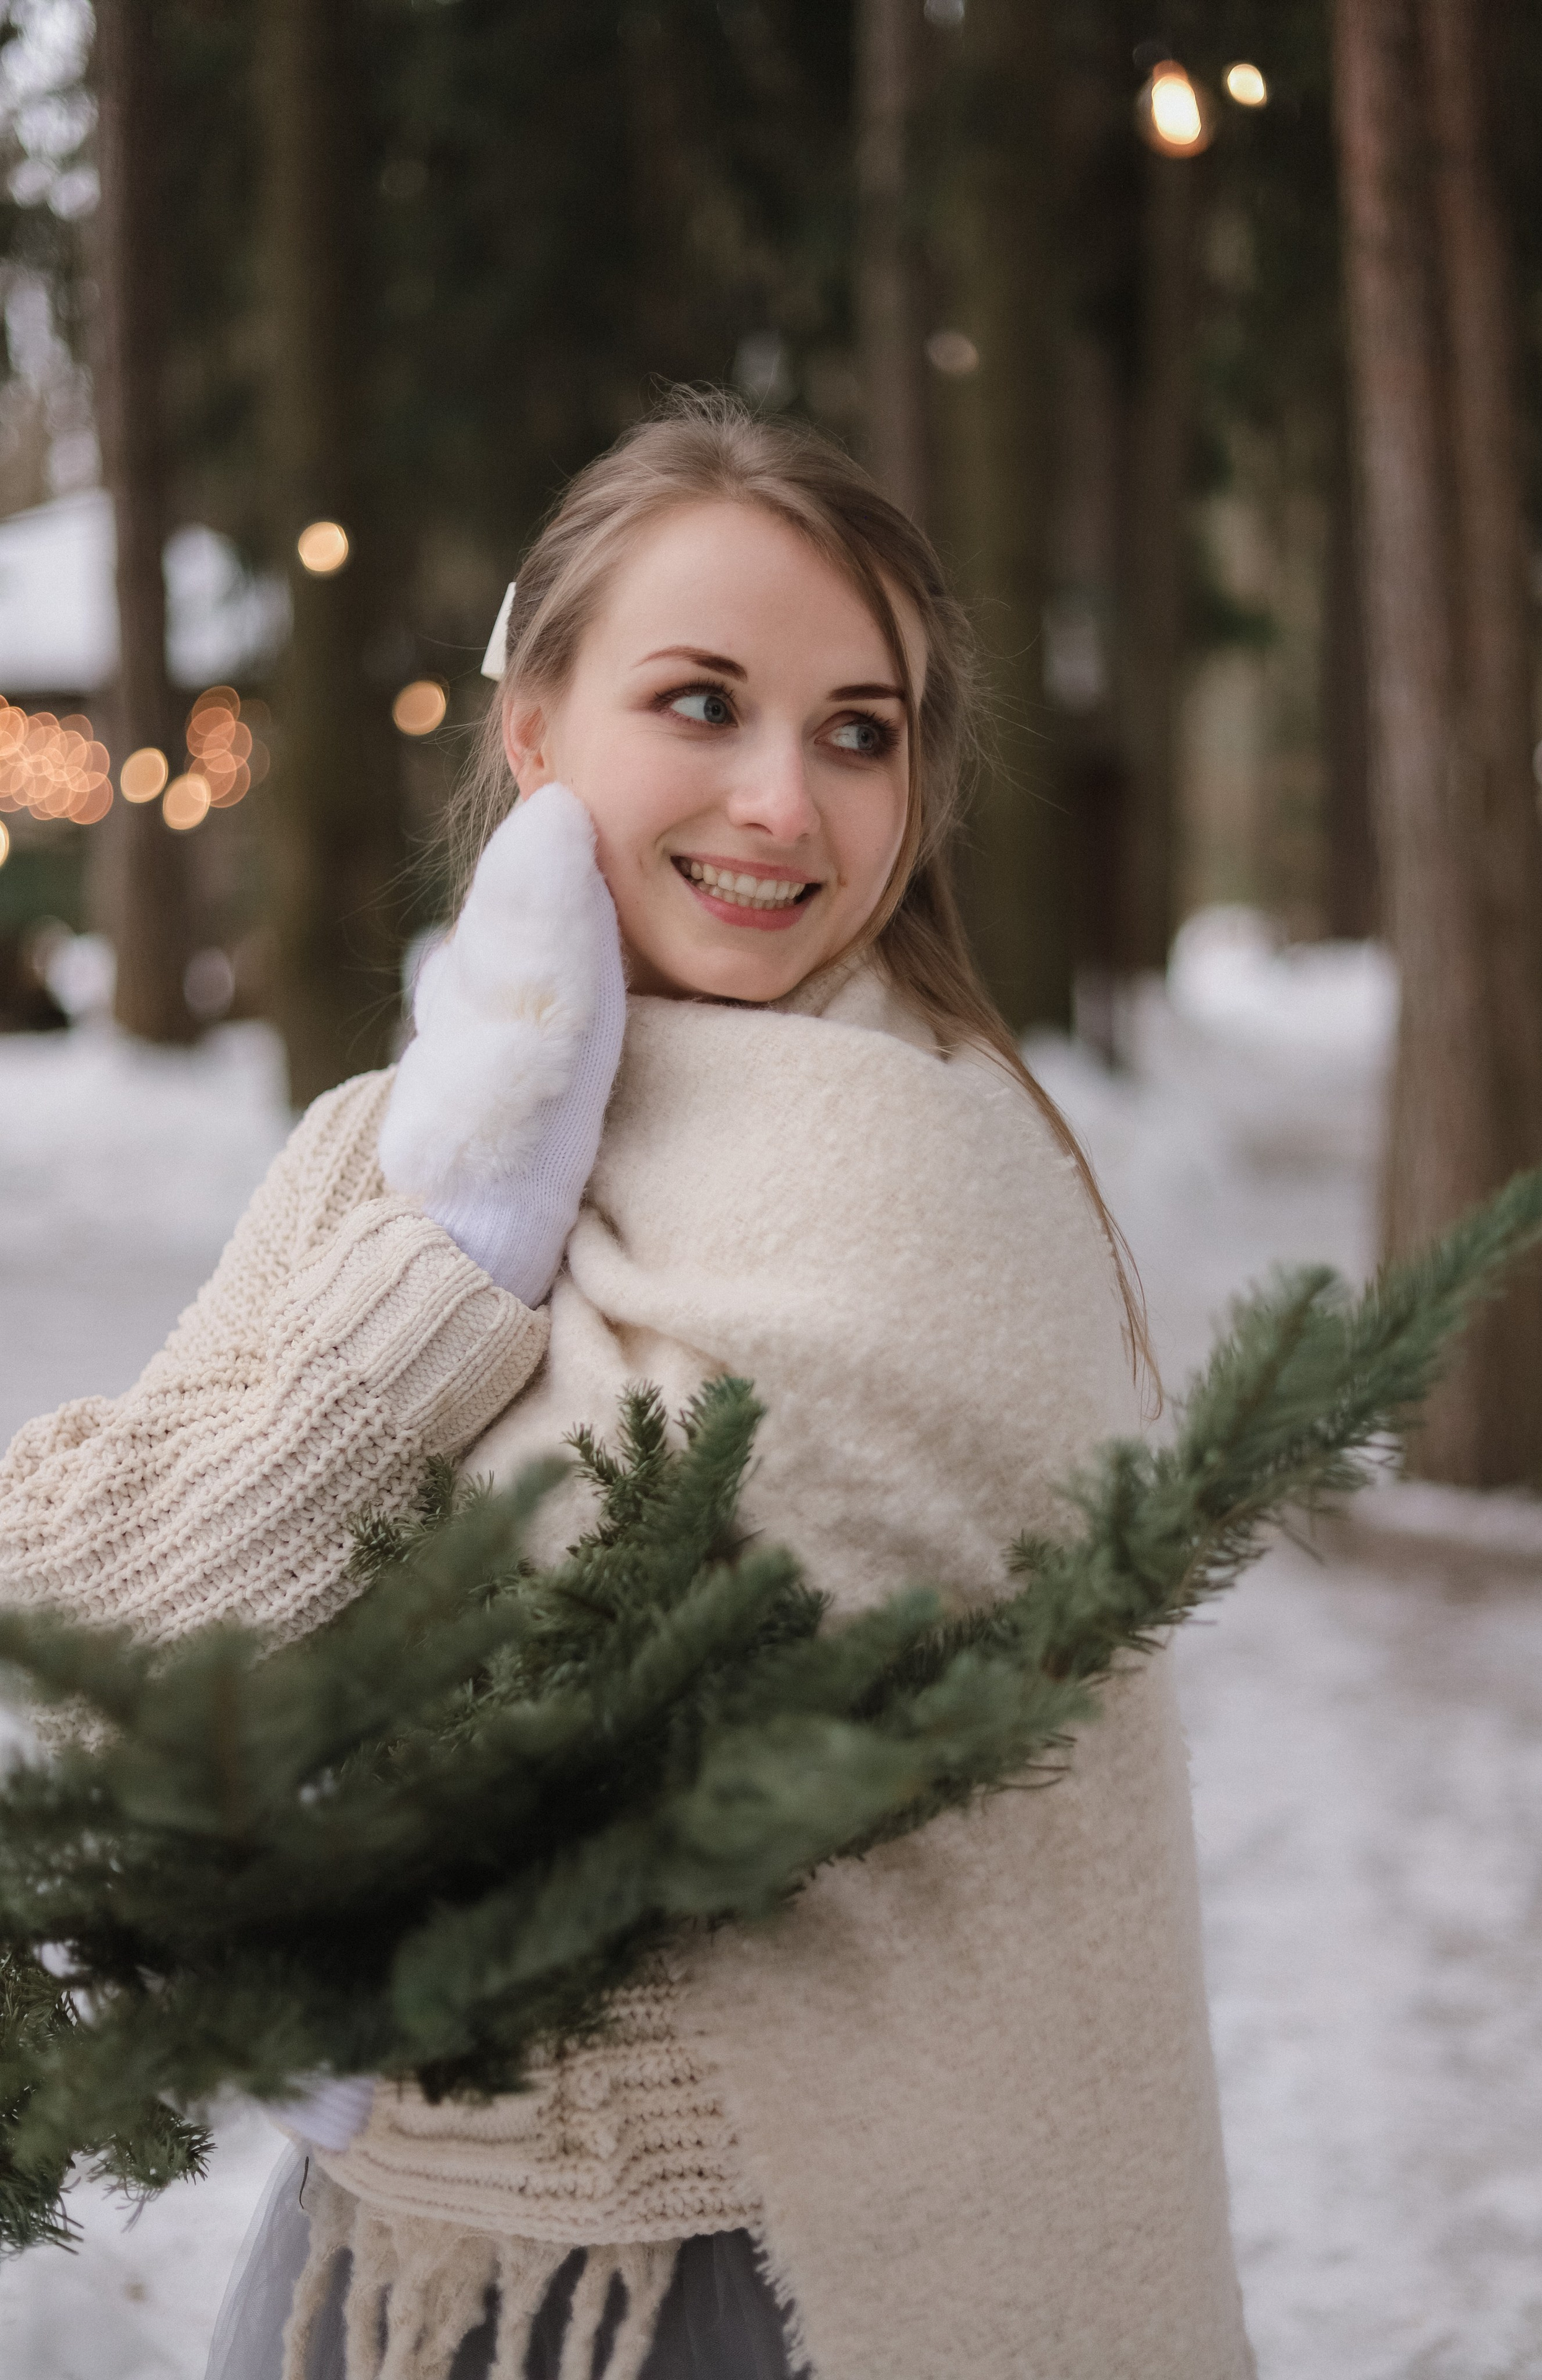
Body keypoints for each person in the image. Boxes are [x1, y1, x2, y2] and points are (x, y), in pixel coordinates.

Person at [0, 392, 1253, 2380]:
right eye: (701, 702)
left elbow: (516, 1720)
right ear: (533, 728)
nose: (784, 802)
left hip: (776, 2276)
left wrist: (316, 1503)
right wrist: (461, 1244)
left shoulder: (935, 1187)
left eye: (862, 732)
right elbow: (84, 1618)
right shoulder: (392, 1149)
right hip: (390, 2255)